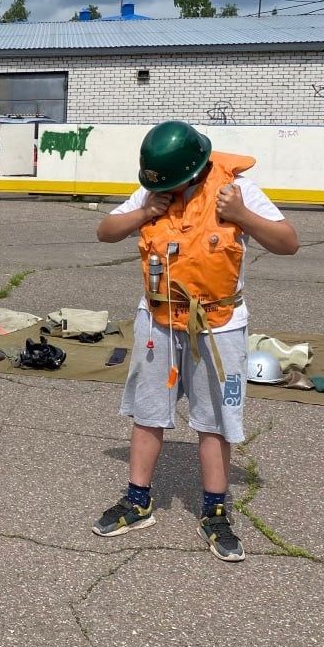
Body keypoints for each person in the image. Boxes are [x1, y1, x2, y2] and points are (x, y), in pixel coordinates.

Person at [91, 121, 298, 562]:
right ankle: (138, 499)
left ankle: (215, 510)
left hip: (217, 325)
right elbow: (106, 231)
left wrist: (242, 215)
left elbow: (288, 243)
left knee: (214, 420)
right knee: (148, 412)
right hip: (159, 321)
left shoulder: (237, 188)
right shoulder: (153, 194)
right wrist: (144, 212)